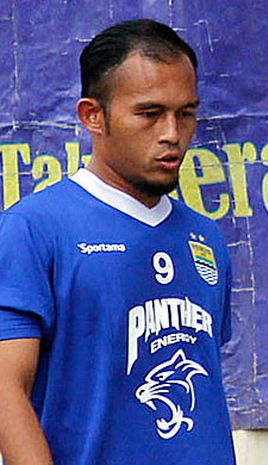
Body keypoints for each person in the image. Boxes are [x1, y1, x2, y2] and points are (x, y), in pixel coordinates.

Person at [0, 19, 236, 465]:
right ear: (93, 116)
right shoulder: (33, 230)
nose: (172, 134)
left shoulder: (205, 237)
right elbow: (5, 388)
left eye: (185, 113)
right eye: (149, 114)